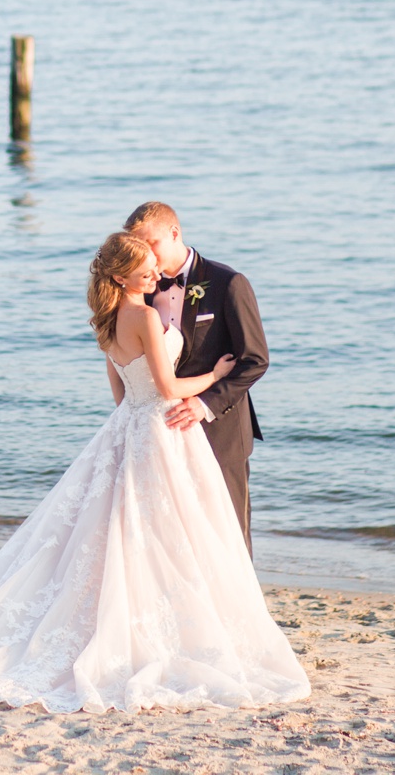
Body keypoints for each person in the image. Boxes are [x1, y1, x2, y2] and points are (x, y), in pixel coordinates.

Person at [0, 232, 310, 713]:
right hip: (160, 431)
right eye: (147, 270)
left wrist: (146, 406)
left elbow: (122, 395)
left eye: (157, 269)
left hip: (127, 427)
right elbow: (170, 389)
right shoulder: (148, 320)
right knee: (165, 534)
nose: (156, 276)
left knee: (124, 534)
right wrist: (216, 375)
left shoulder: (106, 322)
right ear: (122, 277)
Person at [124, 202, 266, 554]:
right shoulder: (140, 289)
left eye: (151, 244)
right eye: (139, 247)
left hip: (220, 430)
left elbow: (254, 360)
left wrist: (204, 404)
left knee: (228, 534)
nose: (148, 257)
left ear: (175, 233)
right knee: (172, 537)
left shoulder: (228, 283)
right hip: (162, 432)